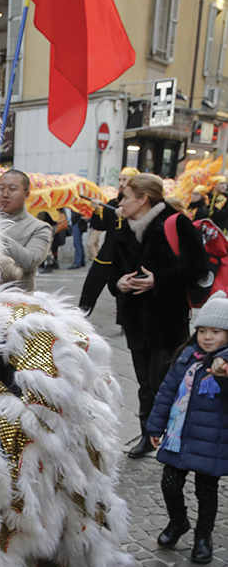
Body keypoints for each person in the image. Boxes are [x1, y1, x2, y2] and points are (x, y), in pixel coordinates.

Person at [109, 172, 208, 459]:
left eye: (125, 196)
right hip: (136, 319)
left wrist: (159, 281)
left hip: (167, 318)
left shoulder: (174, 222)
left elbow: (198, 267)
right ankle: (147, 435)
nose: (120, 201)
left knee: (162, 382)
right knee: (143, 383)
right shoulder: (123, 227)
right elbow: (112, 270)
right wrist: (119, 284)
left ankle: (167, 435)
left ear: (143, 199)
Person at [147, 291, 228, 564]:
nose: (207, 337)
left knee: (206, 491)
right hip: (178, 437)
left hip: (210, 441)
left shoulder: (224, 365)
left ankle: (203, 536)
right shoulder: (186, 358)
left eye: (216, 331)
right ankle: (178, 521)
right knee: (170, 484)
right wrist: (155, 427)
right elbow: (166, 393)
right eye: (202, 330)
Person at [79, 166, 138, 315]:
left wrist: (126, 217)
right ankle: (81, 316)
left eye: (125, 179)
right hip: (107, 254)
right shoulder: (112, 203)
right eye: (120, 179)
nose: (121, 183)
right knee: (91, 287)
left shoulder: (137, 206)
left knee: (125, 294)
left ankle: (125, 323)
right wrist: (97, 210)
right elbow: (100, 225)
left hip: (127, 256)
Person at [0, 170, 52, 290]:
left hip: (18, 300)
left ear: (26, 194)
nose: (5, 194)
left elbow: (29, 261)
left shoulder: (39, 227)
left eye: (13, 189)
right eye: (1, 188)